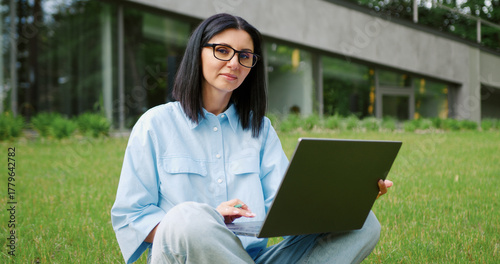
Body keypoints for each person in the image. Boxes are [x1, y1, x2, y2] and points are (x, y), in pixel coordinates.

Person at [111, 13, 392, 264]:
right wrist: (210, 220)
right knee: (188, 217)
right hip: (185, 256)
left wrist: (349, 198)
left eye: (245, 56)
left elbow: (286, 208)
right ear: (198, 53)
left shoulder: (260, 129)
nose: (234, 63)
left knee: (364, 223)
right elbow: (130, 217)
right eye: (222, 50)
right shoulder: (155, 124)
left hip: (251, 258)